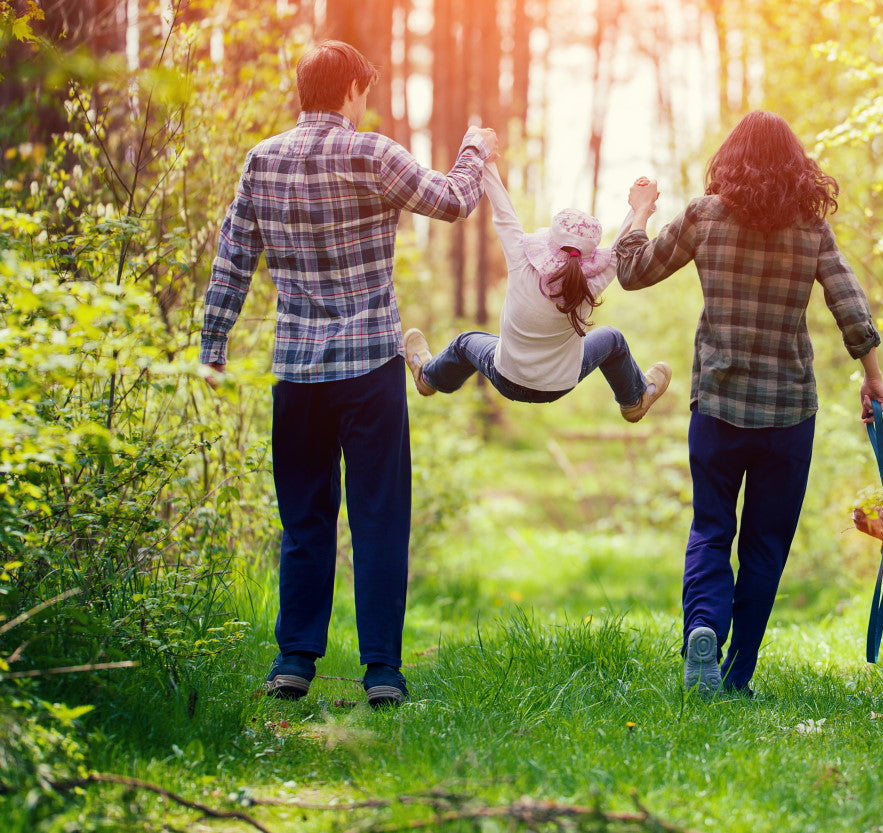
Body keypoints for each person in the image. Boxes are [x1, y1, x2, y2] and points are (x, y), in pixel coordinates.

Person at [199, 40, 498, 707]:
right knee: (379, 517)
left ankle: (294, 660)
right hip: (369, 368)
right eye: (365, 91)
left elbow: (233, 258)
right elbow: (452, 201)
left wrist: (212, 343)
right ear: (351, 90)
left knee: (305, 517)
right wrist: (474, 148)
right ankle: (383, 671)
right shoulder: (372, 152)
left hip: (298, 371)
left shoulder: (262, 160)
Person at [613, 111, 883, 695]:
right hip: (788, 412)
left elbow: (632, 272)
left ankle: (703, 630)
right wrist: (872, 377)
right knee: (766, 545)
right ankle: (737, 676)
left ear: (729, 160)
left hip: (717, 404)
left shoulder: (703, 216)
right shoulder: (810, 229)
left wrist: (637, 212)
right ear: (797, 166)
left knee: (712, 529)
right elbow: (848, 302)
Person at [403, 162, 670, 421]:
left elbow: (503, 214)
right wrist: (640, 209)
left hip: (506, 377)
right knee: (612, 338)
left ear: (549, 242)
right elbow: (619, 250)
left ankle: (428, 378)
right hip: (560, 384)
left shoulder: (521, 261)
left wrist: (486, 161)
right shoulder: (591, 283)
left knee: (464, 343)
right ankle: (634, 401)